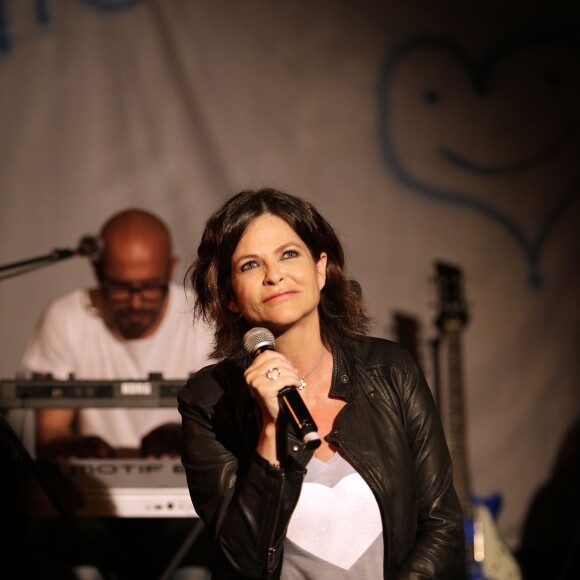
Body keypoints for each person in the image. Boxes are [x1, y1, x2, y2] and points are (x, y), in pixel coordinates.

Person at [178, 188, 465, 579]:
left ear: (320, 268)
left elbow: (443, 526)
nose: (274, 274)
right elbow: (240, 561)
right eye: (249, 265)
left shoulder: (391, 369)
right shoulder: (210, 400)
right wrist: (269, 432)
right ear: (229, 296)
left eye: (289, 254)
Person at [22, 208, 213, 579]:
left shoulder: (203, 320)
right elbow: (49, 439)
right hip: (92, 505)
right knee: (69, 551)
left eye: (149, 286)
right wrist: (76, 449)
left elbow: (226, 436)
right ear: (97, 272)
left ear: (171, 269)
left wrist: (188, 439)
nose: (136, 300)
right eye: (122, 287)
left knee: (199, 557)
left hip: (184, 507)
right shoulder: (66, 317)